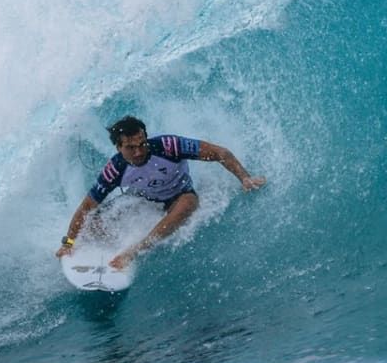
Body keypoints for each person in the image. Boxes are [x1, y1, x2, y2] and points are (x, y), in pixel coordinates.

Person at [55, 115, 266, 270]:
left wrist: (244, 178)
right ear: (118, 148)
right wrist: (68, 243)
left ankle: (134, 251)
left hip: (179, 194)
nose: (138, 152)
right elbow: (86, 207)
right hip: (143, 200)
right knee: (92, 226)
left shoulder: (168, 146)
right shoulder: (115, 170)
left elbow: (221, 153)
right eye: (130, 148)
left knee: (189, 203)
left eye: (142, 144)